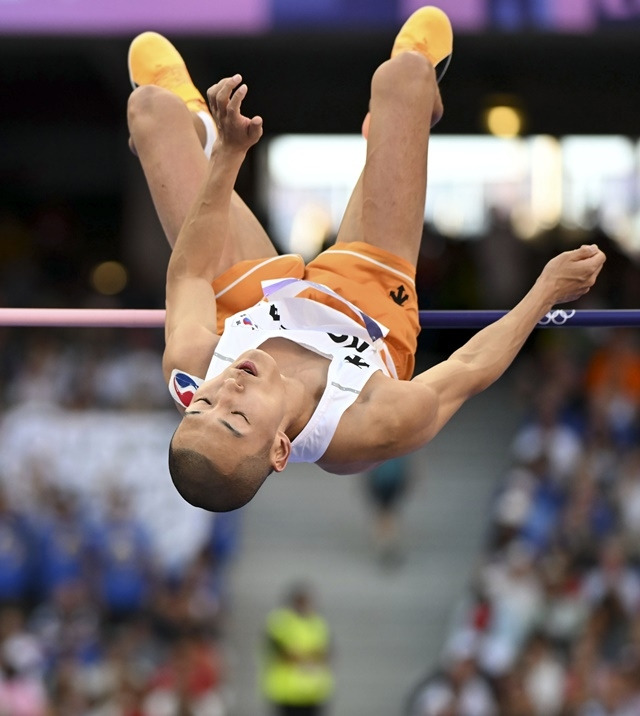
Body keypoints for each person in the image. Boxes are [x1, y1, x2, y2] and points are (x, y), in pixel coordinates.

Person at [125, 6, 606, 513]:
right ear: (280, 449)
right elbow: (468, 368)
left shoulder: (192, 367)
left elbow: (190, 272)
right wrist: (547, 290)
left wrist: (227, 154)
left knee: (150, 110)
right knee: (404, 77)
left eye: (202, 403)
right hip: (368, 303)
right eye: (237, 416)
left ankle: (197, 120)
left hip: (248, 294)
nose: (227, 389)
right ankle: (400, 122)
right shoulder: (370, 424)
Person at [260, 582, 333, 716]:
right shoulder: (280, 621)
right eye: (302, 601)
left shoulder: (318, 623)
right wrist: (303, 657)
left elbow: (327, 652)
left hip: (314, 691)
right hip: (286, 692)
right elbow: (275, 650)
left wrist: (308, 657)